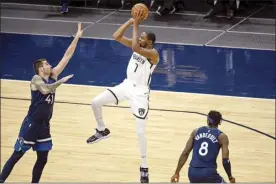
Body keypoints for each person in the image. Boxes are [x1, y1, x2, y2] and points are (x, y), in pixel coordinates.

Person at [0, 23, 83, 183]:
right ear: (40, 69)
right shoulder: (36, 79)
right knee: (17, 155)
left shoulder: (53, 75)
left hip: (45, 125)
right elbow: (46, 90)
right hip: (31, 124)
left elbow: (67, 56)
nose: (49, 64)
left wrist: (77, 37)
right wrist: (62, 81)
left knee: (43, 158)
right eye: (46, 64)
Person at [86, 10, 159, 183]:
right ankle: (102, 130)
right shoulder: (137, 46)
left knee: (140, 132)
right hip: (125, 85)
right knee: (95, 102)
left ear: (149, 42)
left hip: (140, 93)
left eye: (142, 37)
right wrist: (130, 21)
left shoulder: (153, 54)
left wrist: (136, 25)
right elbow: (116, 36)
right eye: (139, 35)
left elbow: (134, 47)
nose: (139, 38)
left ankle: (144, 166)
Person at [171, 110, 236, 183]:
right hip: (209, 173)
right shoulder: (222, 137)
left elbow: (185, 153)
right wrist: (230, 177)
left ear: (208, 120)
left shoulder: (195, 132)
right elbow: (225, 161)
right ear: (219, 122)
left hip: (192, 173)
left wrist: (177, 172)